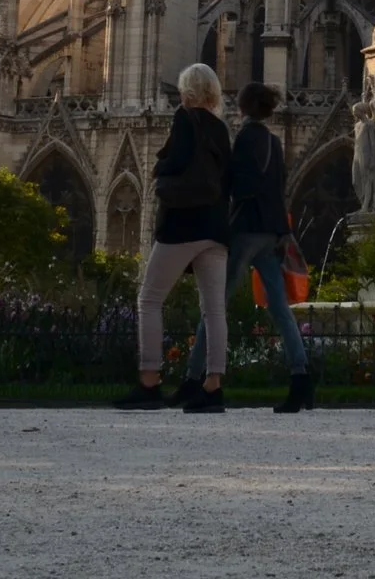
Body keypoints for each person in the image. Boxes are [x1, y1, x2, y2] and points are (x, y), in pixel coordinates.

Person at [185, 83, 312, 414]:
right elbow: (279, 184)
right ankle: (301, 379)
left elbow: (239, 186)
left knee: (215, 305)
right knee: (280, 310)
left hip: (246, 231)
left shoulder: (244, 138)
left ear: (242, 108)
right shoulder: (272, 141)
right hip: (272, 233)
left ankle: (194, 379)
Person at [116, 63, 234, 413]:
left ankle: (149, 381)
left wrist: (160, 166)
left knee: (149, 300)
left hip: (184, 224)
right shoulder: (221, 129)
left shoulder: (185, 118)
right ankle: (213, 387)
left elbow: (176, 162)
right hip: (215, 228)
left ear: (187, 93)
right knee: (214, 310)